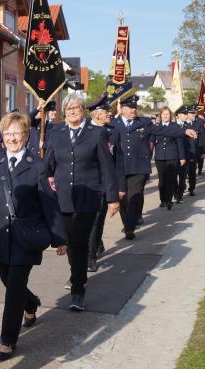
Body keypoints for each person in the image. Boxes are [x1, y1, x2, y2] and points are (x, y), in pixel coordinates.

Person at [0, 112, 66, 359]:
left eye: (17, 133)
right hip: (1, 236)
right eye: (7, 133)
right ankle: (31, 303)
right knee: (7, 278)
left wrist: (59, 238)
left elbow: (49, 204)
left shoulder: (37, 165)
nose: (12, 138)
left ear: (26, 135)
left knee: (14, 287)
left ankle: (8, 340)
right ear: (1, 137)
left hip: (26, 236)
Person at [44, 93, 120, 311]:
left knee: (78, 242)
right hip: (64, 197)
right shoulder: (56, 132)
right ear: (64, 112)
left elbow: (107, 167)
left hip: (89, 197)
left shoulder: (96, 133)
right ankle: (77, 273)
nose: (72, 111)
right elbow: (48, 163)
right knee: (68, 242)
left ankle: (78, 290)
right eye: (68, 109)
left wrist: (112, 197)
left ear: (83, 110)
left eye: (76, 107)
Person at [110, 95, 197, 240]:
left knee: (134, 196)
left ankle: (129, 228)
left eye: (135, 108)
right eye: (130, 108)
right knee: (123, 199)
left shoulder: (143, 122)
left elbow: (163, 130)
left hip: (138, 167)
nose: (134, 110)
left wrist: (184, 131)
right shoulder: (113, 123)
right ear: (123, 109)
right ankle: (128, 223)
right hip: (120, 167)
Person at [85, 94, 120, 272]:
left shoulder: (112, 132)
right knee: (90, 222)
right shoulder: (84, 132)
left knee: (98, 222)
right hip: (88, 186)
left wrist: (118, 188)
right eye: (106, 111)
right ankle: (92, 251)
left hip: (105, 185)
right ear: (96, 114)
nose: (110, 114)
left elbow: (117, 163)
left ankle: (91, 255)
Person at [152, 107, 186, 210]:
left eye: (167, 114)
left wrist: (182, 157)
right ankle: (162, 200)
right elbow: (151, 142)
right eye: (163, 114)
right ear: (160, 115)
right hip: (160, 157)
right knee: (162, 180)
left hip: (172, 156)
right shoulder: (156, 127)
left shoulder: (175, 126)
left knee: (170, 179)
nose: (165, 116)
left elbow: (179, 143)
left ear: (170, 115)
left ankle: (168, 199)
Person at [186, 106, 205, 195]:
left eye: (195, 112)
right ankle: (182, 186)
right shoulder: (183, 123)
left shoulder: (199, 122)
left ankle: (191, 188)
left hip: (193, 151)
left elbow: (202, 137)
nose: (194, 114)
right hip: (183, 150)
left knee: (192, 171)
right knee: (182, 171)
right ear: (187, 114)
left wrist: (202, 151)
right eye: (192, 113)